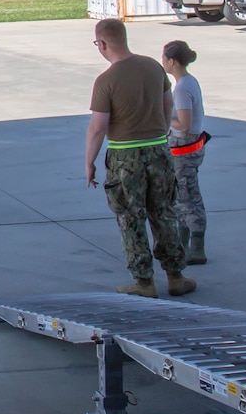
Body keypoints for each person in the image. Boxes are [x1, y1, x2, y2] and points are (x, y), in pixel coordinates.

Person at [85, 18, 195, 298]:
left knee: (130, 218)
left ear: (103, 44)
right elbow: (168, 105)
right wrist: (157, 130)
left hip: (125, 155)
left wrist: (90, 162)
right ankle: (176, 276)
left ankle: (144, 281)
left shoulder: (106, 81)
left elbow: (98, 127)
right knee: (164, 213)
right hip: (159, 149)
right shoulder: (153, 67)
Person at [161, 40, 210, 264]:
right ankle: (183, 242)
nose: (162, 62)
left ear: (172, 61)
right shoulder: (189, 81)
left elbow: (184, 123)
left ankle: (197, 247)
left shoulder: (181, 88)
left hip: (184, 150)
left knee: (188, 198)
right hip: (187, 148)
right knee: (181, 197)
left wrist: (163, 118)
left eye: (164, 58)